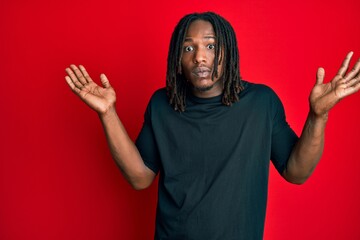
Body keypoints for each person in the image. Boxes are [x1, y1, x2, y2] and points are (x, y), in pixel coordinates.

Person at [65, 12, 360, 240]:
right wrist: (108, 113)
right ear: (178, 60)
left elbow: (296, 172)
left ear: (228, 52)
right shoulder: (162, 104)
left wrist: (318, 116)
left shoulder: (260, 102)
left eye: (210, 45)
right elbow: (140, 178)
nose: (200, 56)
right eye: (188, 48)